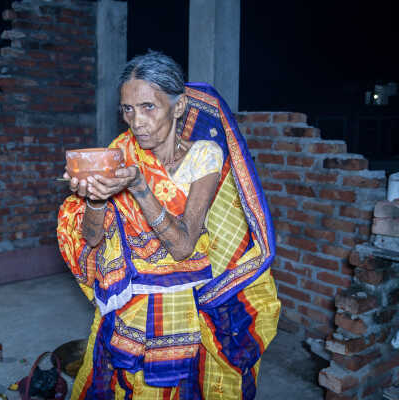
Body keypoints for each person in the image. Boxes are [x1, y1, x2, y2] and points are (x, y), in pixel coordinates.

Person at [57, 51, 280, 400]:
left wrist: (140, 188)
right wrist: (96, 200)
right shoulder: (121, 153)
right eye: (128, 109)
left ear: (178, 107)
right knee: (126, 384)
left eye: (149, 107)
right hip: (129, 305)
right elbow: (91, 239)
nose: (137, 121)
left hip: (186, 306)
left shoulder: (203, 155)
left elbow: (183, 246)